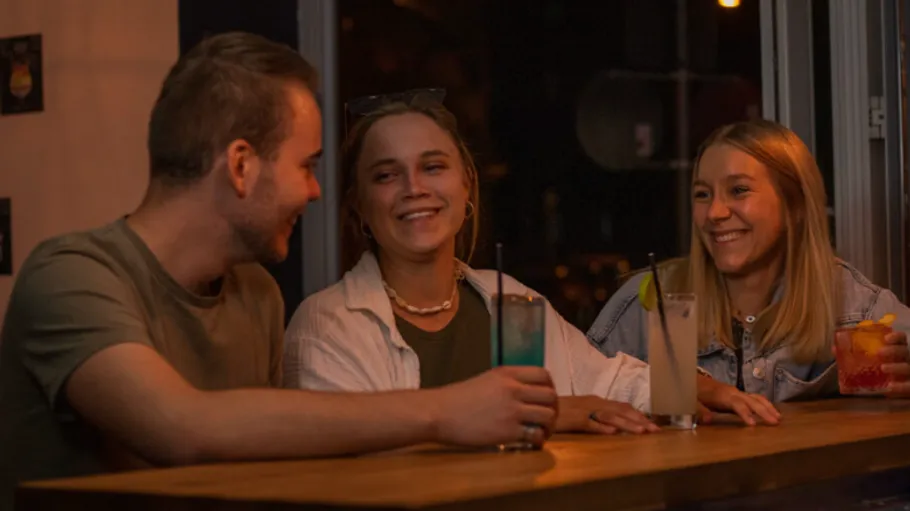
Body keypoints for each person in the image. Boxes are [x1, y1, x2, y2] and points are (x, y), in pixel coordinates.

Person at [0, 32, 560, 508]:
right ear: (242, 166)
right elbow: (181, 429)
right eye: (307, 166)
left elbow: (265, 463)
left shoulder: (256, 295)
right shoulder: (71, 275)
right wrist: (447, 412)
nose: (316, 192)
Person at [283, 97, 779, 434]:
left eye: (433, 167)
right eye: (387, 174)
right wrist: (548, 413)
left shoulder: (507, 298)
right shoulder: (327, 326)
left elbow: (609, 381)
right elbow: (355, 461)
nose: (414, 187)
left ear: (466, 186)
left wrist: (702, 387)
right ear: (359, 206)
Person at [587, 119, 910, 402]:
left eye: (738, 190)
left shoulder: (852, 303)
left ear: (795, 206)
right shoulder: (649, 300)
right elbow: (575, 394)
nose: (715, 213)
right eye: (702, 194)